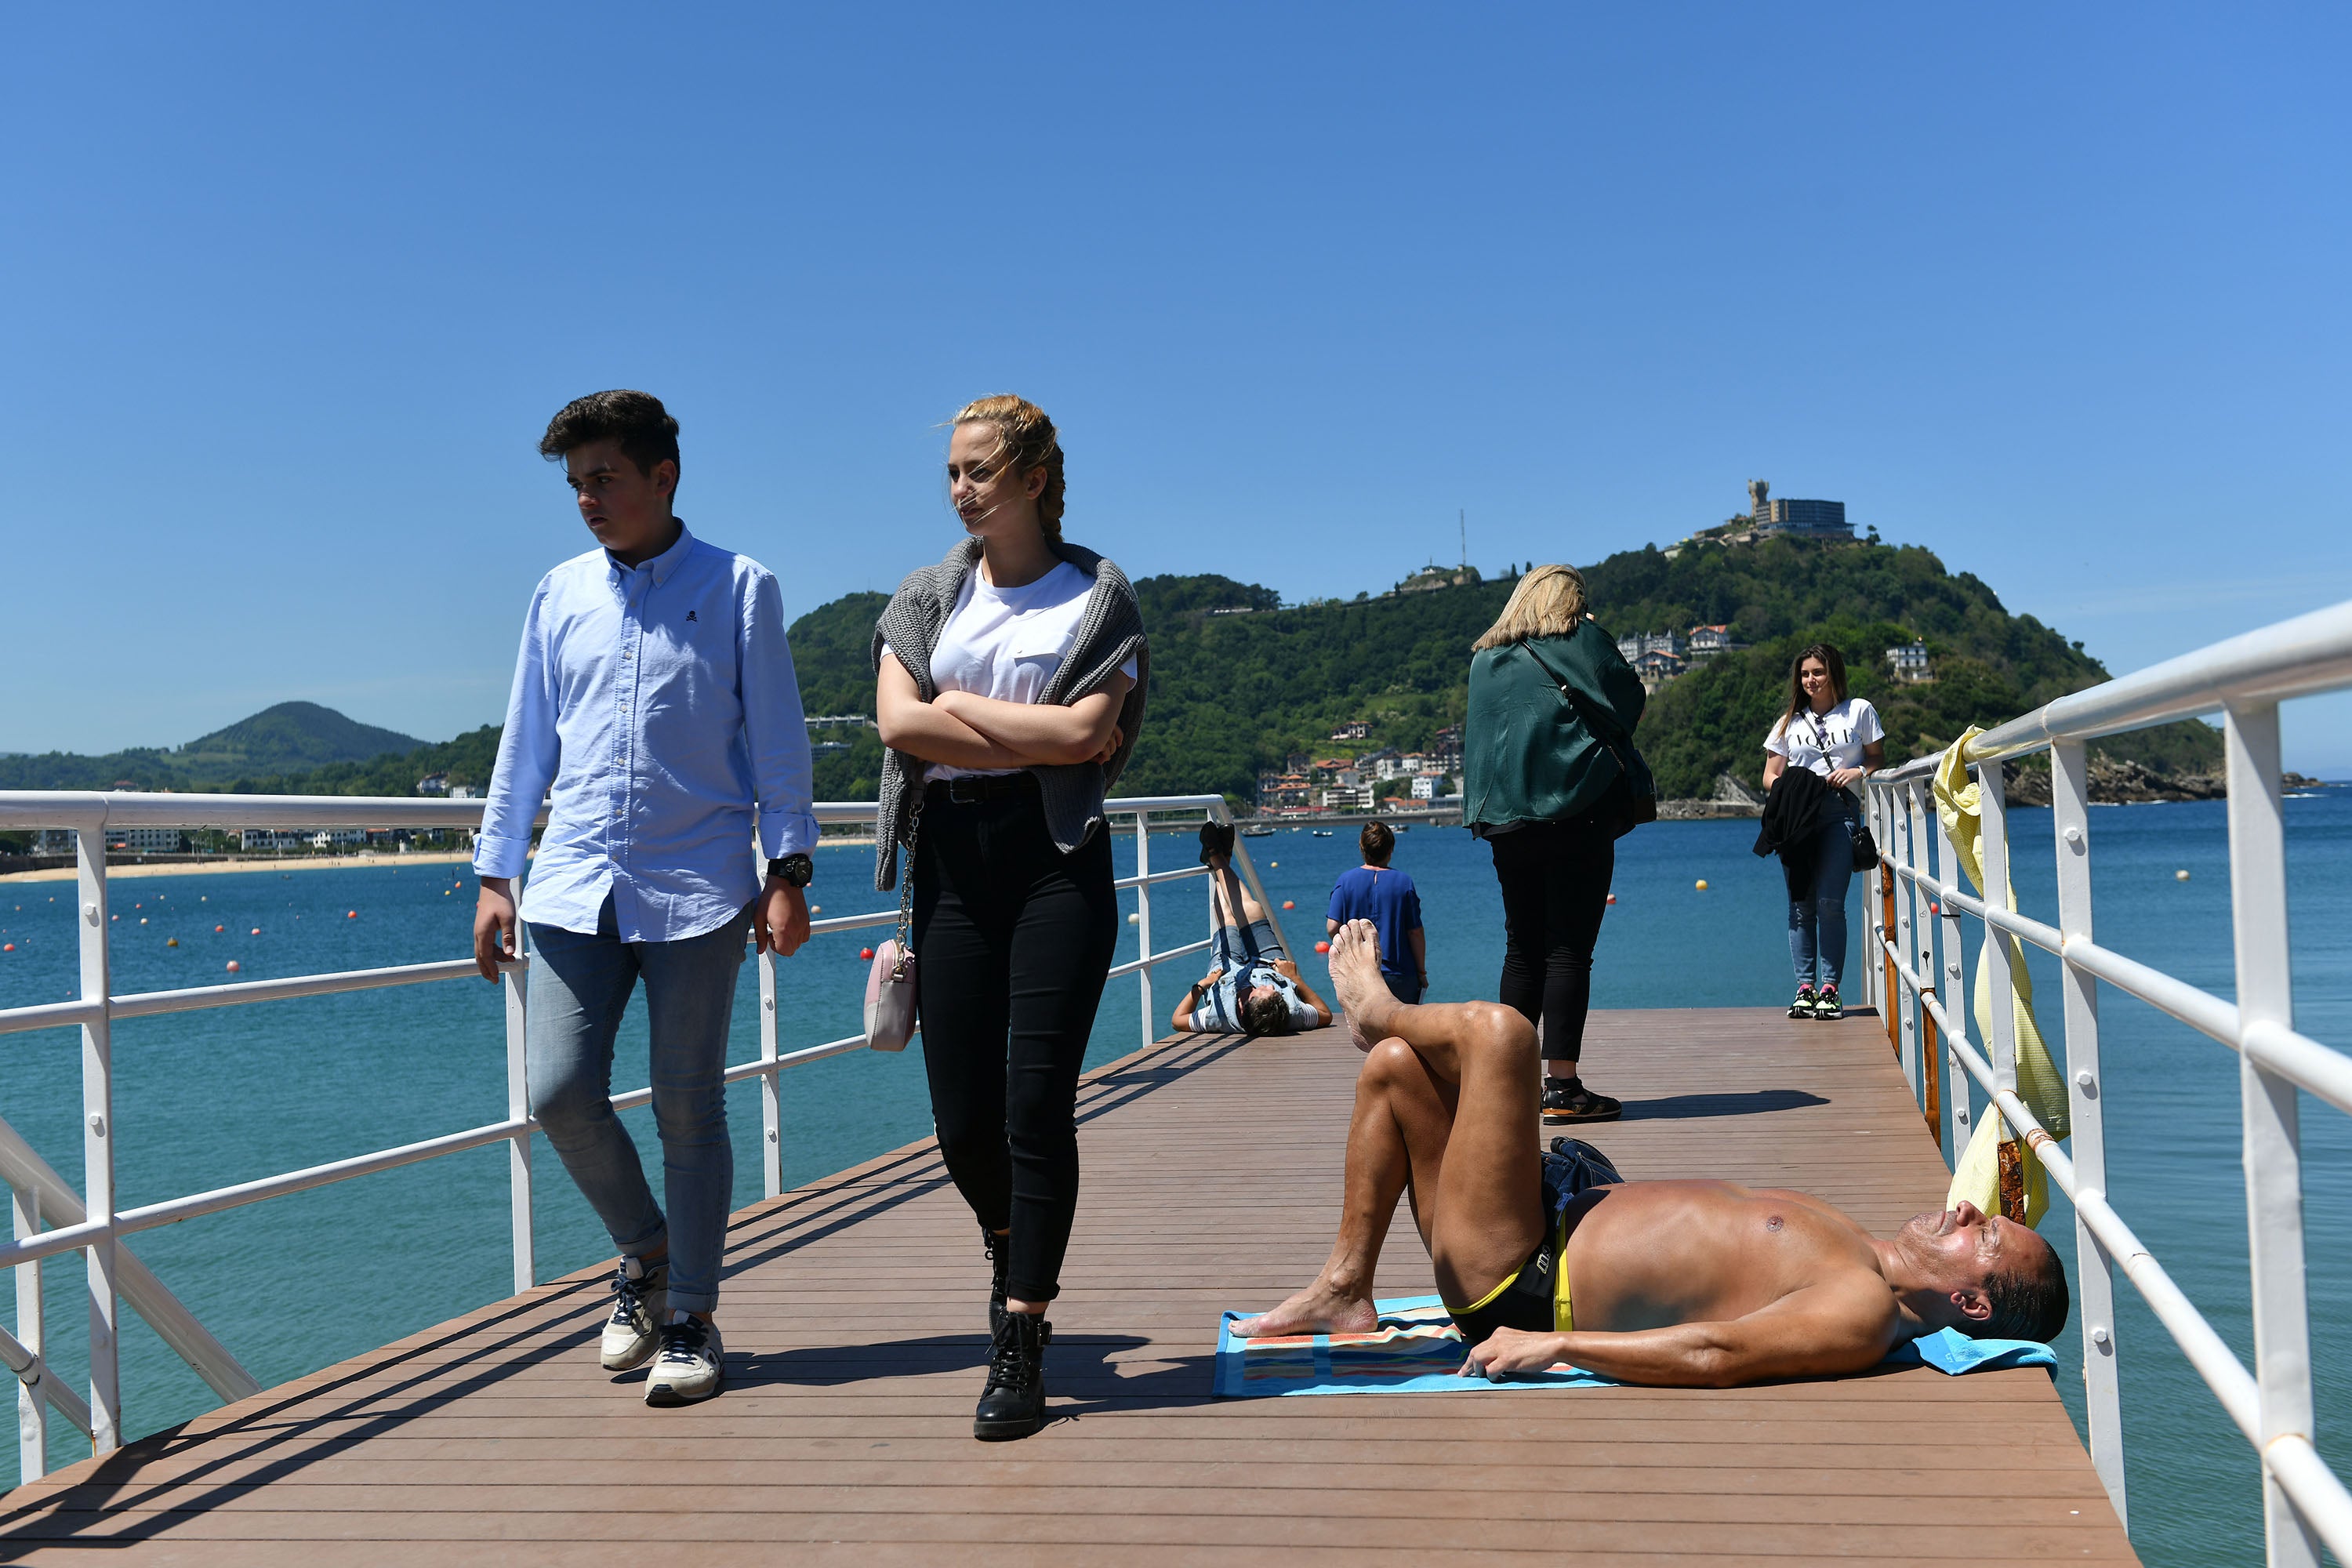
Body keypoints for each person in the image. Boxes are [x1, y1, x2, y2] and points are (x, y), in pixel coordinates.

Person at [1235, 923, 2071, 1385]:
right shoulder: (1865, 1252)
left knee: (1502, 1035)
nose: (1966, 1207)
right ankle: (1347, 1286)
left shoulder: (1863, 1308)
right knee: (1394, 1073)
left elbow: (1718, 1350)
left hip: (1527, 1280)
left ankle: (1376, 1006)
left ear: (1971, 1304)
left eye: (1985, 1235)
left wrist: (1554, 1347)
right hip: (1545, 1215)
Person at [472, 390, 817, 1407]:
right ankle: (646, 1251)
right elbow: (524, 740)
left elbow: (779, 741)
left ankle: (692, 1317)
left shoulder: (740, 587)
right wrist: (498, 873)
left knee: (688, 1110)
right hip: (573, 883)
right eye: (577, 483)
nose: (588, 499)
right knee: (558, 1094)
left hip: (700, 886)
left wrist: (787, 868)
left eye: (605, 478)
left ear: (663, 477)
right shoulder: (558, 592)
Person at [872, 394, 1148, 1441]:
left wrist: (965, 718)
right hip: (950, 863)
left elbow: (1085, 737)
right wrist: (1020, 733)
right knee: (961, 1119)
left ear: (1034, 478)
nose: (959, 489)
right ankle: (1008, 1239)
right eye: (952, 470)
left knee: (1037, 1107)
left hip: (1055, 863)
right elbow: (899, 723)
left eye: (980, 470)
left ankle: (1021, 1335)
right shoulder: (927, 595)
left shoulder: (1099, 597)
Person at [1462, 564, 1650, 1126]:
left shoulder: (1485, 658)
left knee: (1521, 947)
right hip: (1574, 812)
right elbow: (1629, 701)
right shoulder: (1580, 639)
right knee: (1567, 948)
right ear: (1569, 600)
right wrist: (1592, 634)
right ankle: (1562, 1086)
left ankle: (1506, 1082)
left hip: (1503, 819)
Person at [1760, 643, 1886, 1022]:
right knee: (1800, 907)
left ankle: (1829, 989)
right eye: (1805, 674)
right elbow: (1769, 775)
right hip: (1797, 818)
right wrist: (1792, 787)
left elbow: (1877, 758)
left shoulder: (1858, 711)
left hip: (1837, 813)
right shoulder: (1788, 723)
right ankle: (1804, 988)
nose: (1811, 680)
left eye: (1818, 672)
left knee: (1831, 904)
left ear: (1834, 674)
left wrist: (1858, 772)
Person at [1173, 822, 1334, 1036]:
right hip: (1272, 966)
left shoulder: (1219, 1017)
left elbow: (1178, 1020)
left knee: (1229, 920)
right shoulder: (1290, 1014)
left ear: (1242, 1006)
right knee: (1254, 909)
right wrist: (1295, 980)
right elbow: (1325, 1014)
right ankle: (1217, 857)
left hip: (1224, 975)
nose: (1271, 988)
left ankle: (1217, 857)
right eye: (1275, 994)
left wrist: (1203, 985)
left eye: (1264, 991)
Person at [1325, 819, 1426, 1004]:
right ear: (1390, 850)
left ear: (1362, 848)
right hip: (1399, 974)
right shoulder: (1404, 882)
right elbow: (1415, 932)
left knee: (1363, 1031)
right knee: (1403, 1030)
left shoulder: (1345, 881)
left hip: (1359, 973)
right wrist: (1421, 971)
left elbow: (1333, 927)